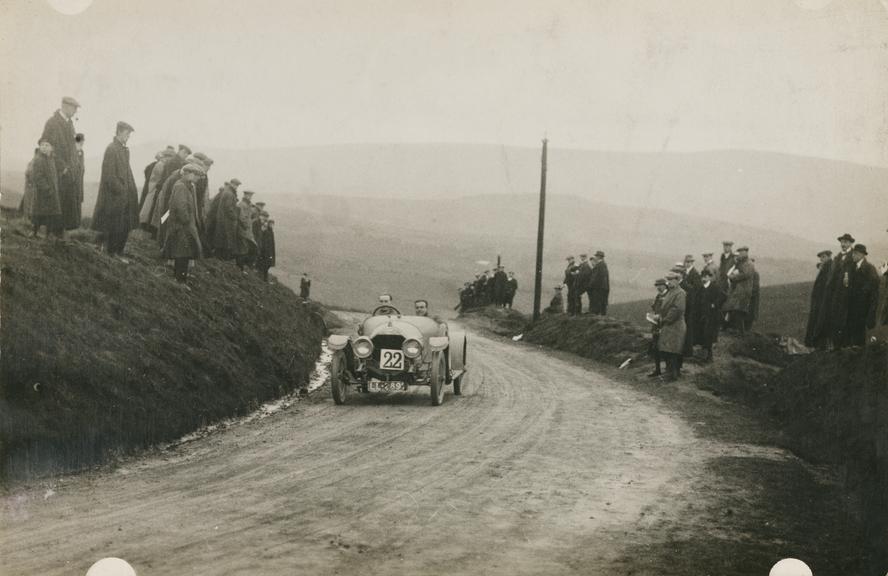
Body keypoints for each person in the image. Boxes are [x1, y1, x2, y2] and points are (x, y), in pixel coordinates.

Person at [92, 122, 139, 258]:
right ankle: (112, 253)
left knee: (123, 226)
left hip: (123, 196)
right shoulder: (112, 149)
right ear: (119, 132)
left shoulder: (124, 150)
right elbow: (109, 176)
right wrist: (122, 190)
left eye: (129, 134)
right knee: (114, 226)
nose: (128, 136)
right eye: (126, 133)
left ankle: (118, 251)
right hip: (113, 196)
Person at [40, 97, 79, 235]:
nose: (75, 112)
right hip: (55, 170)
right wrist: (61, 166)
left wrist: (72, 167)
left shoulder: (70, 124)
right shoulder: (52, 123)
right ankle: (49, 235)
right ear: (65, 106)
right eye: (74, 108)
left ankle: (58, 235)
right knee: (54, 203)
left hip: (68, 171)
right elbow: (45, 144)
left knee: (64, 204)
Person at [161, 163, 206, 284]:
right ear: (188, 174)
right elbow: (181, 207)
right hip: (182, 227)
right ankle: (179, 280)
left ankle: (181, 279)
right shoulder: (181, 186)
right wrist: (186, 221)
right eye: (196, 175)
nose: (197, 178)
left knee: (184, 254)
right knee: (182, 254)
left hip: (184, 226)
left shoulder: (186, 186)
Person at [846, 244, 881, 346]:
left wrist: (871, 313)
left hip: (864, 310)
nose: (853, 256)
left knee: (862, 339)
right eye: (853, 253)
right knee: (854, 339)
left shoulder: (870, 269)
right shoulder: (853, 268)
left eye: (855, 253)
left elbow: (873, 293)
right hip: (853, 310)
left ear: (862, 255)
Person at [656, 272, 687, 382]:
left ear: (677, 280)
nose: (668, 282)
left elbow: (677, 309)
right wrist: (660, 317)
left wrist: (665, 320)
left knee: (673, 351)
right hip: (669, 325)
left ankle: (672, 374)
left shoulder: (680, 293)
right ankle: (669, 372)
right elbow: (665, 308)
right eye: (668, 280)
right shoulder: (671, 292)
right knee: (667, 350)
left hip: (675, 326)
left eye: (671, 279)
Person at [29, 139, 63, 238]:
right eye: (42, 145)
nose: (44, 147)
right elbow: (37, 177)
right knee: (38, 213)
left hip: (51, 192)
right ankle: (34, 231)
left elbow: (53, 174)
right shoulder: (38, 159)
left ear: (52, 148)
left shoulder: (51, 159)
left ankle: (48, 234)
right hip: (42, 192)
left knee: (50, 215)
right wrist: (46, 188)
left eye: (47, 145)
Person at [829, 233, 856, 348]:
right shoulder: (838, 256)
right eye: (842, 242)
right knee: (837, 318)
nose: (843, 244)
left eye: (845, 242)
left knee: (847, 318)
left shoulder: (854, 255)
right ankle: (837, 345)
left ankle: (846, 345)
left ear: (850, 243)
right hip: (837, 294)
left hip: (848, 293)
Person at [804, 250, 834, 349]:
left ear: (829, 257)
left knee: (821, 323)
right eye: (821, 257)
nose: (821, 259)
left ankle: (819, 346)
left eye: (823, 257)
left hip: (823, 302)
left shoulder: (829, 268)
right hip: (819, 302)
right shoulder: (825, 267)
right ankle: (816, 345)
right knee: (817, 322)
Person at [723, 246, 756, 333]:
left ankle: (740, 331)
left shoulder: (748, 264)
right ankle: (738, 330)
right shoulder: (743, 263)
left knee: (739, 310)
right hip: (740, 290)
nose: (739, 255)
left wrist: (732, 277)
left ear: (746, 252)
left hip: (744, 291)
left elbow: (744, 274)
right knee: (735, 309)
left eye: (741, 252)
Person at [695, 268, 725, 362]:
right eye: (702, 277)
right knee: (703, 335)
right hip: (703, 315)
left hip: (712, 316)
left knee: (709, 335)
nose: (704, 279)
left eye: (706, 277)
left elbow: (723, 296)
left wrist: (715, 304)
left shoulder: (714, 287)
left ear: (709, 277)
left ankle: (709, 357)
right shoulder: (700, 288)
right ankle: (705, 356)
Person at [680, 254, 702, 361]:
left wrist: (684, 284)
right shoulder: (685, 273)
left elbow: (695, 289)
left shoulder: (695, 274)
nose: (687, 264)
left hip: (692, 304)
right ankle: (684, 349)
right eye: (686, 262)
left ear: (692, 263)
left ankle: (688, 351)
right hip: (685, 302)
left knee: (689, 327)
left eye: (689, 262)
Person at [647, 278, 668, 377]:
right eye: (657, 285)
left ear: (664, 285)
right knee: (656, 348)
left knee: (664, 347)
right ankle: (657, 369)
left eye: (660, 285)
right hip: (656, 324)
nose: (658, 287)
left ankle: (667, 370)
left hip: (664, 324)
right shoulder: (658, 296)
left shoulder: (668, 295)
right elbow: (655, 307)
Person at [235, 190, 257, 271]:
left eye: (251, 196)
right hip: (242, 231)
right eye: (249, 196)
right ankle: (239, 267)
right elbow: (242, 218)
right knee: (242, 250)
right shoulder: (242, 205)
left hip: (246, 231)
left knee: (246, 249)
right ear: (245, 196)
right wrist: (247, 225)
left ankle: (242, 267)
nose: (250, 197)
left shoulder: (248, 205)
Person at [69, 132, 85, 229]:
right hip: (73, 181)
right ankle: (71, 226)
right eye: (81, 141)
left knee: (77, 201)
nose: (82, 143)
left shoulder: (81, 152)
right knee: (72, 202)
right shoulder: (72, 151)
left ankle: (76, 225)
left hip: (79, 182)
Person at [588, 251, 610, 315]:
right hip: (602, 287)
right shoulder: (602, 264)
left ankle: (599, 315)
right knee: (601, 301)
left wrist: (590, 285)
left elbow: (596, 277)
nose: (595, 257)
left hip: (600, 287)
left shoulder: (601, 265)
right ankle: (600, 314)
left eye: (596, 256)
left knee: (599, 301)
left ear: (599, 257)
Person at [256, 216, 276, 282]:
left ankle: (264, 279)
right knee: (265, 266)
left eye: (273, 224)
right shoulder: (267, 232)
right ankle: (264, 279)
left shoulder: (271, 232)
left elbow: (271, 244)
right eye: (271, 224)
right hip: (267, 253)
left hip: (269, 252)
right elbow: (266, 244)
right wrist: (269, 254)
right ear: (269, 224)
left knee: (266, 266)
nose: (272, 226)